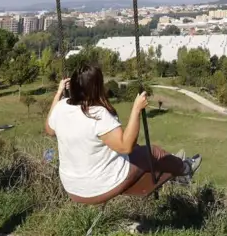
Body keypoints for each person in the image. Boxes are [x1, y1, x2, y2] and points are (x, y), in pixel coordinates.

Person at [44, 64, 200, 204]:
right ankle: (185, 170)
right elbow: (125, 147)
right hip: (97, 188)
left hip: (72, 188)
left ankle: (174, 166)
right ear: (97, 87)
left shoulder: (61, 106)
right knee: (154, 152)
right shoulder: (98, 114)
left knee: (139, 150)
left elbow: (49, 130)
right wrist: (136, 109)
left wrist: (58, 93)